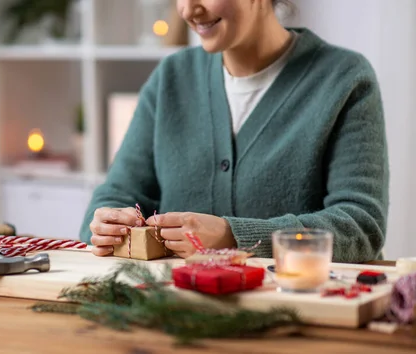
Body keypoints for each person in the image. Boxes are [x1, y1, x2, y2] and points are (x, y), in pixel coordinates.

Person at [79, 0, 389, 263]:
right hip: (178, 314)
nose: (188, 10)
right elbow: (116, 193)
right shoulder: (171, 78)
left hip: (300, 315)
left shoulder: (344, 79)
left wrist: (233, 236)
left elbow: (361, 225)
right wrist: (107, 222)